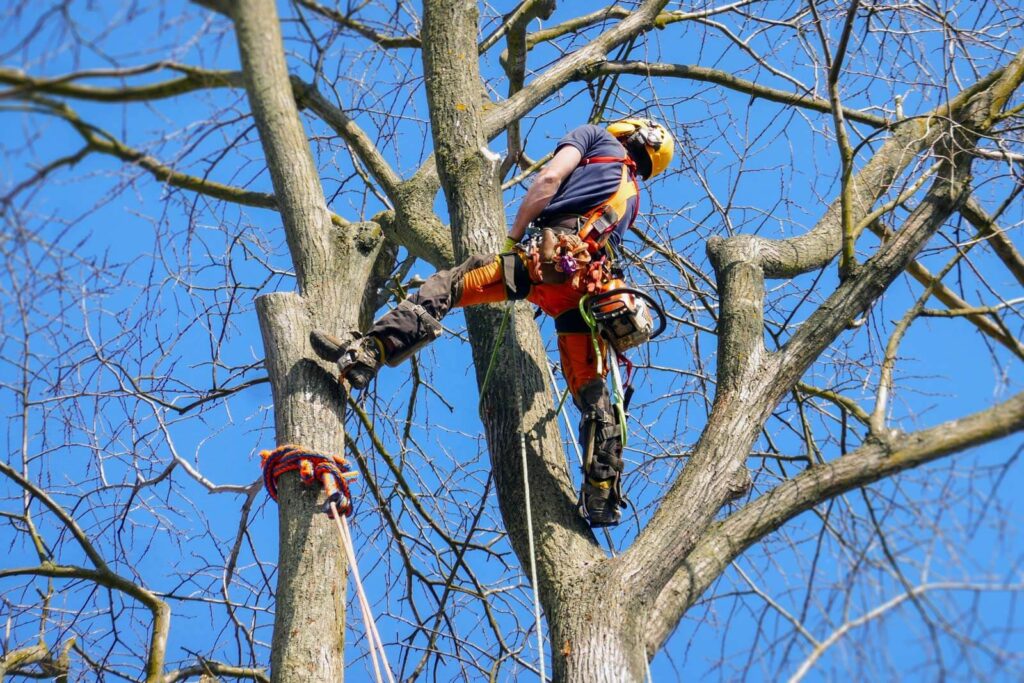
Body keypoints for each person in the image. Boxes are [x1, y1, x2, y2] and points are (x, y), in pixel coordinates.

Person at [311, 118, 674, 527]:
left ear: (631, 131)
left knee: (451, 284)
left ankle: (370, 351)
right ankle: (602, 491)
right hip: (584, 293)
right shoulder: (632, 194)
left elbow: (549, 178)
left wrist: (513, 238)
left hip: (546, 260)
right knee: (592, 394)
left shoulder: (595, 137)